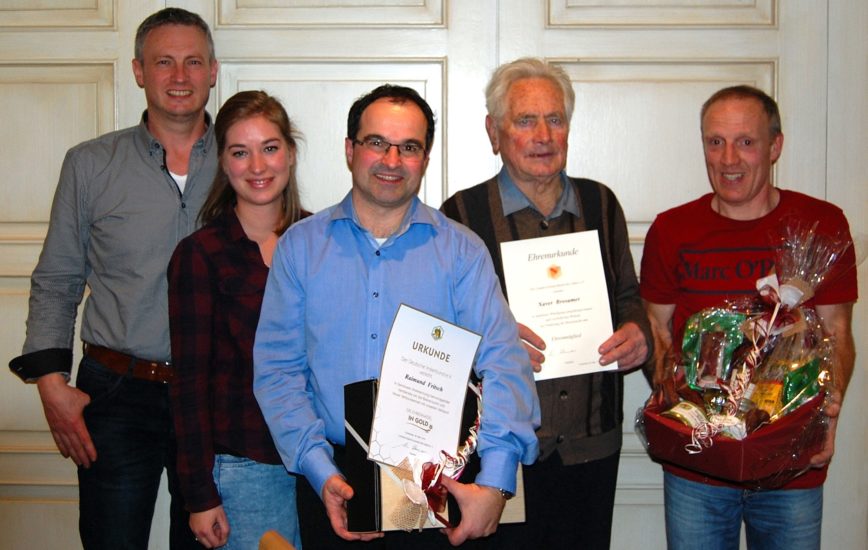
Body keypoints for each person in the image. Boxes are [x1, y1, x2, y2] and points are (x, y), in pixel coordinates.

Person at [253, 84, 541, 549]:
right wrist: (319, 471)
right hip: (333, 481)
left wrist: (495, 481)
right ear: (350, 150)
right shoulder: (300, 249)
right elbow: (278, 372)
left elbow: (504, 362)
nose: (392, 160)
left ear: (424, 159)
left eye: (409, 147)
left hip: (440, 480)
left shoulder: (461, 252)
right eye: (377, 143)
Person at [8, 8, 218, 549]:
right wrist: (52, 385)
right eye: (163, 62)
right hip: (118, 394)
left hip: (215, 394)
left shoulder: (247, 164)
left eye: (193, 62)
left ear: (213, 71)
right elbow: (57, 278)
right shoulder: (90, 165)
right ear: (138, 71)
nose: (179, 76)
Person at [440, 57, 653, 549]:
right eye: (525, 120)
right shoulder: (461, 215)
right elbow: (442, 330)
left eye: (554, 119)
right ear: (494, 132)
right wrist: (490, 342)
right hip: (499, 453)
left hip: (591, 447)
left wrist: (638, 332)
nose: (543, 135)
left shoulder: (601, 204)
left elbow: (627, 297)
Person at [640, 85, 858, 549]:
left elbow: (837, 332)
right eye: (715, 142)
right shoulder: (671, 230)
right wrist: (674, 400)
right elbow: (657, 328)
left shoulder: (820, 225)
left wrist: (827, 418)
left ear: (775, 146)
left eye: (746, 142)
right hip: (696, 463)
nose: (728, 159)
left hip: (788, 464)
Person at [168, 91, 309, 550]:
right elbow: (189, 384)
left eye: (269, 148)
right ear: (222, 163)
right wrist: (199, 494)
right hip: (245, 469)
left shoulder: (325, 240)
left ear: (290, 153)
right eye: (240, 152)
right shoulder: (200, 255)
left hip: (323, 466)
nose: (257, 166)